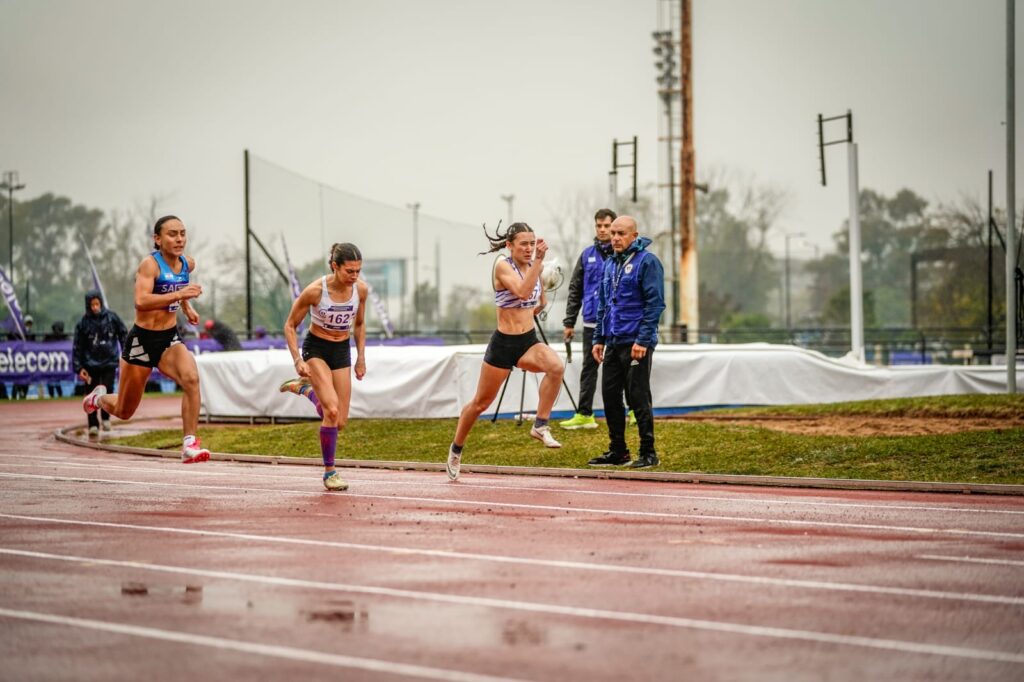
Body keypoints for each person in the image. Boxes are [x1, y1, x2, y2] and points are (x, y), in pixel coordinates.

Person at [81, 215, 210, 463]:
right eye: (172, 234)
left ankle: (189, 444)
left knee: (191, 378)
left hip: (169, 339)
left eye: (182, 233)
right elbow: (141, 301)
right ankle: (98, 398)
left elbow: (179, 283)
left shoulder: (187, 263)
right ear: (157, 239)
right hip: (141, 341)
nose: (179, 239)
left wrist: (186, 307)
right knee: (124, 410)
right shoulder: (149, 265)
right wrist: (181, 295)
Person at [445, 222, 564, 482]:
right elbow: (521, 292)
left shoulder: (534, 266)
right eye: (523, 244)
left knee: (556, 367)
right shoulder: (502, 265)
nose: (529, 249)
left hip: (527, 341)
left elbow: (539, 298)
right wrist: (539, 263)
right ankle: (456, 448)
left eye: (532, 244)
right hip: (503, 345)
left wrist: (542, 296)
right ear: (509, 245)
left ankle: (540, 425)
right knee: (480, 403)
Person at [278, 243, 368, 491]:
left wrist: (361, 357)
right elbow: (290, 325)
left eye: (358, 271)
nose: (354, 276)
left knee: (340, 421)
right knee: (331, 409)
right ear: (334, 266)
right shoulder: (315, 291)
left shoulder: (360, 290)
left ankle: (306, 390)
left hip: (341, 351)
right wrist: (297, 359)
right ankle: (330, 472)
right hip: (316, 349)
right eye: (349, 271)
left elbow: (360, 324)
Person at [589, 215, 665, 469]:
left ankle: (648, 452)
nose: (615, 238)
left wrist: (643, 340)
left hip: (636, 342)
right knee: (610, 396)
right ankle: (618, 451)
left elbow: (655, 304)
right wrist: (598, 338)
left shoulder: (648, 262)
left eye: (621, 233)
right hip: (613, 340)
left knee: (638, 397)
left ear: (634, 236)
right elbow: (603, 305)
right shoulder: (610, 264)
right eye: (613, 233)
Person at [560, 208, 634, 430]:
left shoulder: (626, 254)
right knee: (589, 368)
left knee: (626, 367)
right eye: (599, 226)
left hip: (619, 323)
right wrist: (569, 321)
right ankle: (585, 414)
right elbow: (575, 289)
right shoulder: (586, 255)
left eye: (606, 226)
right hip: (592, 322)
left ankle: (633, 410)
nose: (602, 230)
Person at [73, 292, 127, 433]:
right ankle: (93, 424)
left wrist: (126, 353)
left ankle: (106, 419)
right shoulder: (83, 323)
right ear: (88, 306)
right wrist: (79, 368)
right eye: (92, 305)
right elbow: (77, 346)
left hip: (109, 362)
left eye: (97, 304)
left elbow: (123, 334)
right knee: (91, 394)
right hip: (90, 365)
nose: (95, 307)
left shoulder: (112, 318)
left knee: (108, 390)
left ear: (101, 303)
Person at [44, 320, 69, 398]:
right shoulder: (48, 337)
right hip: (50, 362)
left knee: (57, 380)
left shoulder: (64, 337)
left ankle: (59, 395)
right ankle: (52, 395)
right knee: (50, 380)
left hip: (59, 363)